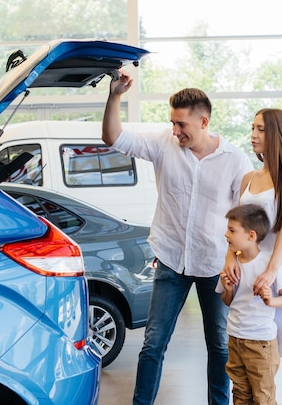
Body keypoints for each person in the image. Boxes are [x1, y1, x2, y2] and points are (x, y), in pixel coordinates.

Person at [101, 70, 253, 405]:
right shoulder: (162, 144)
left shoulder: (234, 160)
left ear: (203, 121)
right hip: (171, 260)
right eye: (172, 122)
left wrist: (236, 259)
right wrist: (115, 96)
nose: (175, 130)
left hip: (214, 263)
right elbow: (113, 137)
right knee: (153, 343)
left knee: (219, 345)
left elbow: (243, 216)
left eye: (181, 124)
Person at [223, 108, 282, 405]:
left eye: (260, 129)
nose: (253, 135)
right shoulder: (249, 177)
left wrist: (272, 273)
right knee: (255, 357)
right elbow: (236, 224)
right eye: (252, 128)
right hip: (252, 274)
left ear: (277, 134)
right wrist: (230, 257)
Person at [217, 204, 282, 405]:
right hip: (235, 339)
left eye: (232, 230)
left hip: (261, 343)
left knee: (263, 398)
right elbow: (227, 301)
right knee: (240, 394)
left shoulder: (269, 264)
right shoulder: (231, 265)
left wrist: (270, 300)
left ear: (251, 235)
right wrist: (228, 288)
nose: (226, 235)